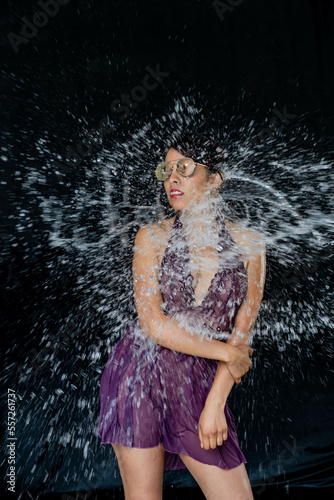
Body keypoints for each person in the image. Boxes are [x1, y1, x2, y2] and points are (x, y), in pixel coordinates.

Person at [98, 130, 266, 500]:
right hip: (139, 374)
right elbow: (154, 325)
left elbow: (242, 333)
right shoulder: (151, 238)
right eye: (167, 170)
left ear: (215, 179)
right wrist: (228, 355)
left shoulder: (249, 243)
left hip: (198, 384)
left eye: (184, 169)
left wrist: (215, 404)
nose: (172, 179)